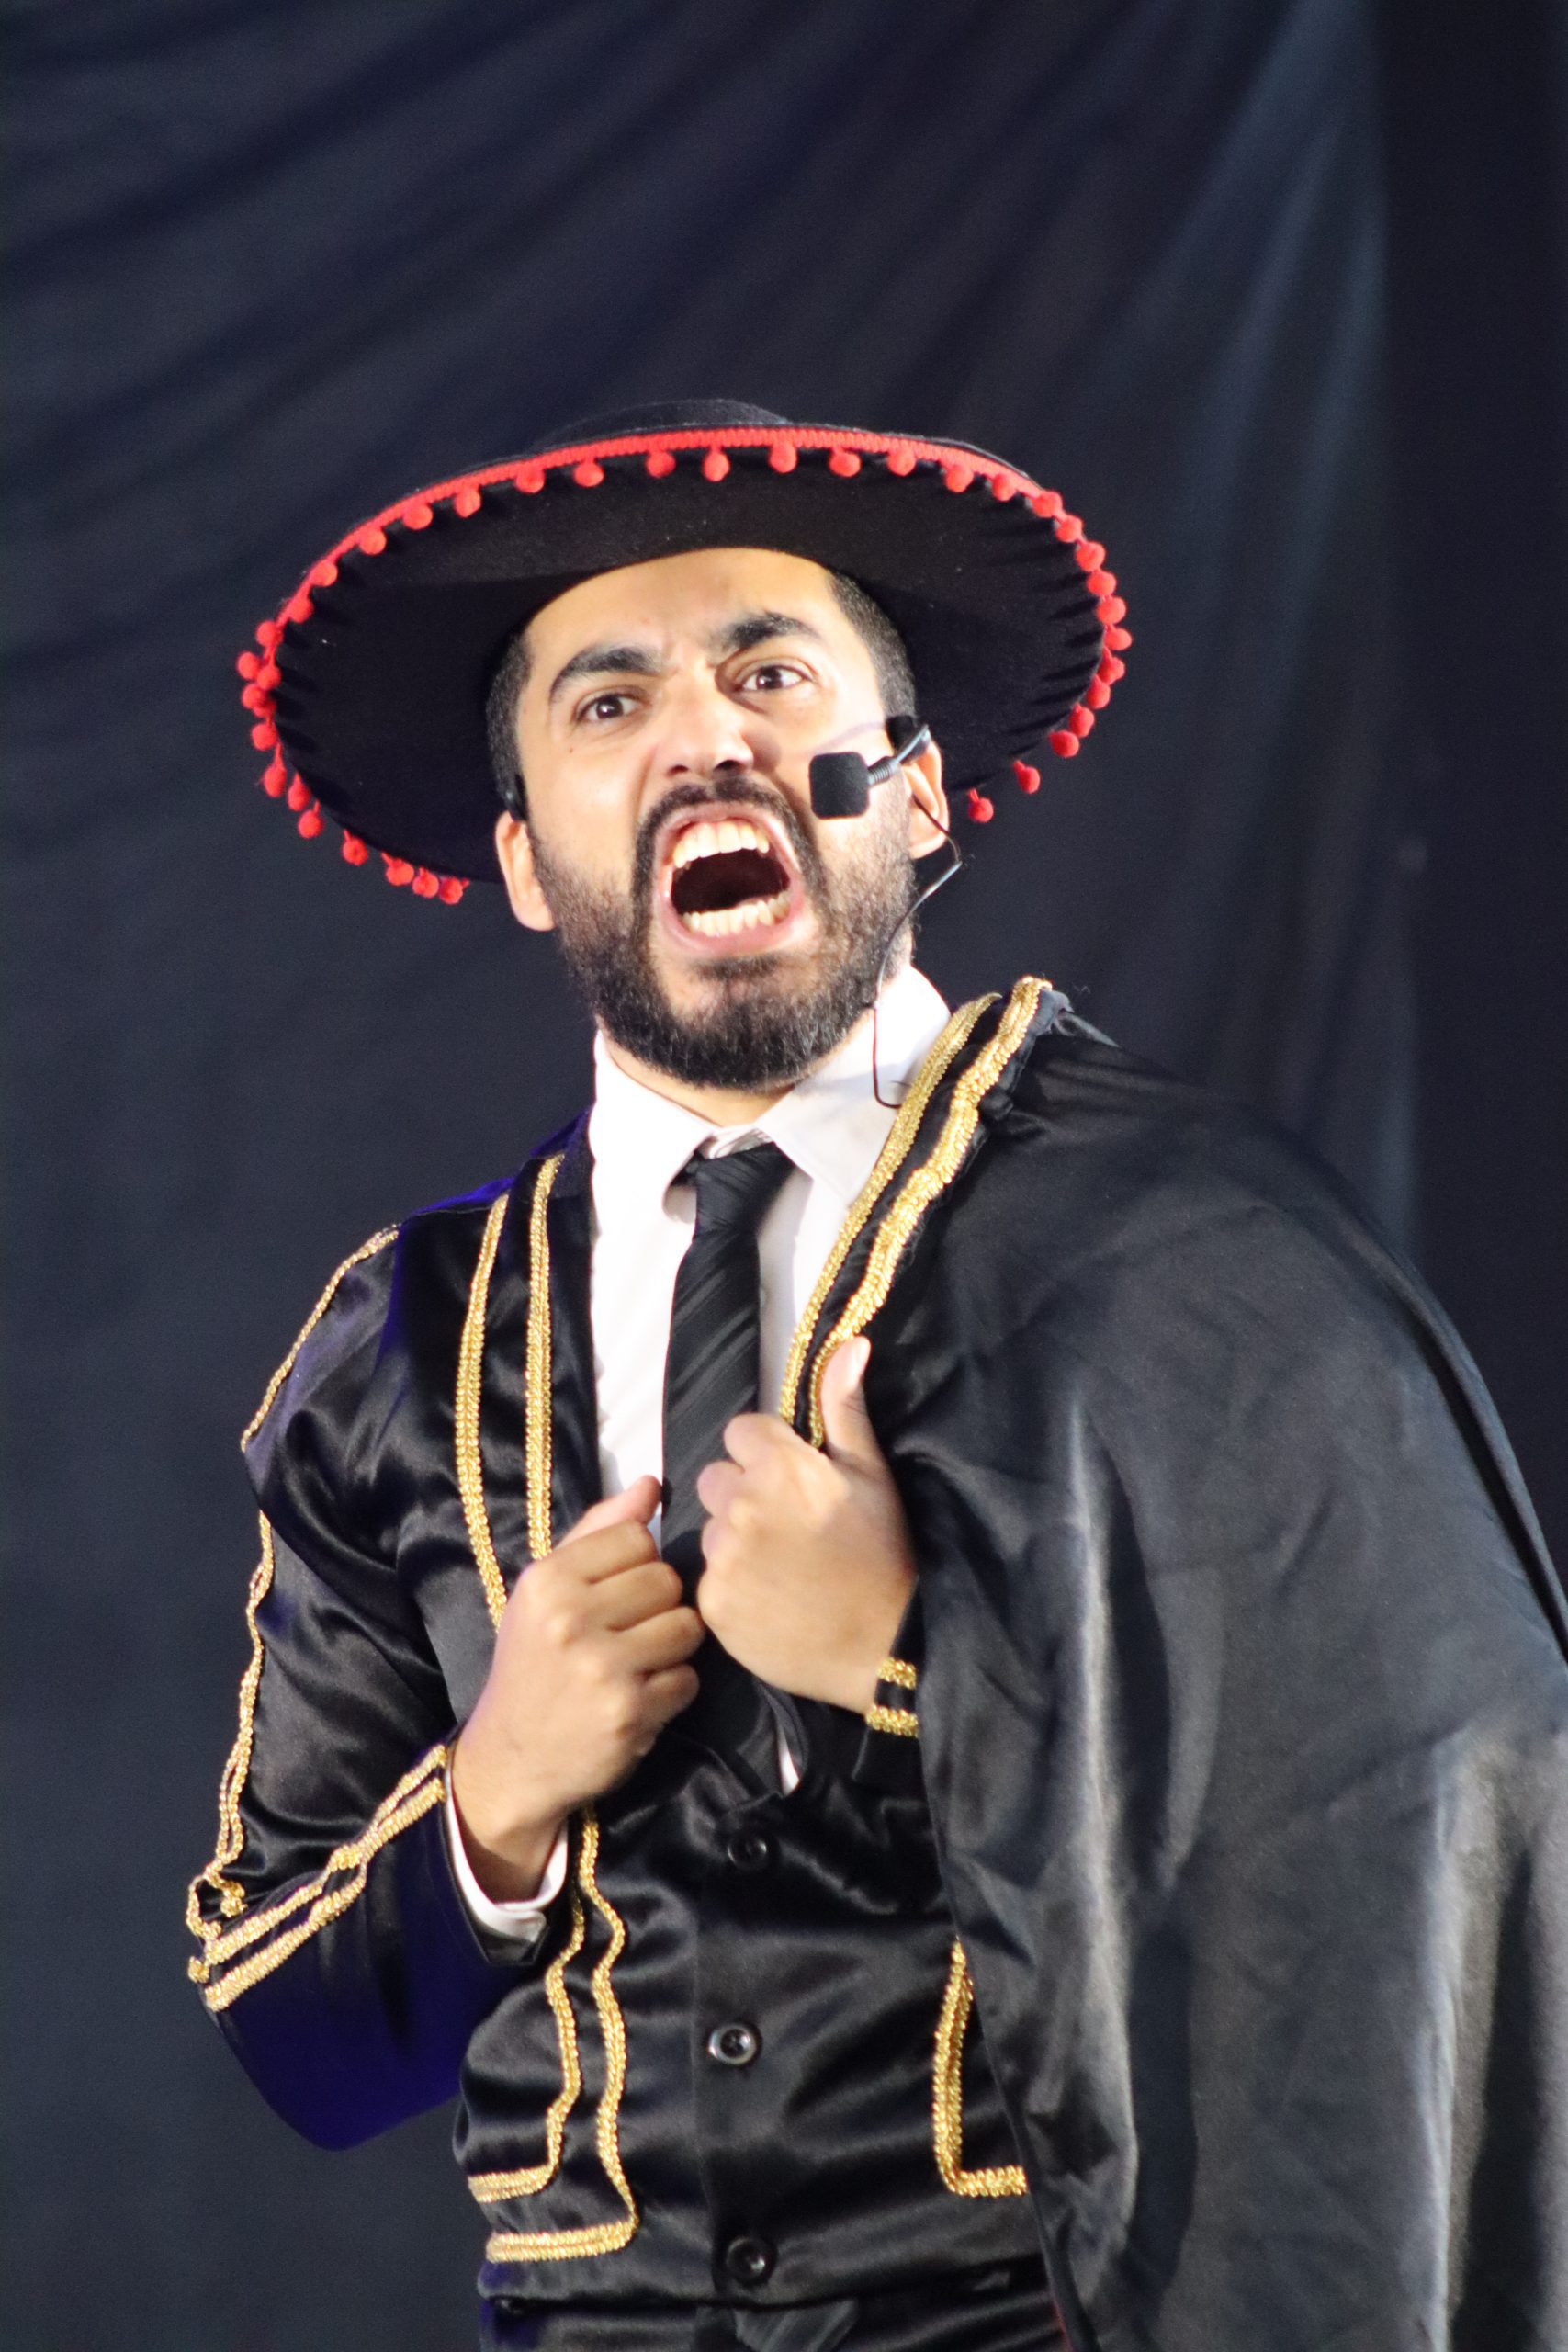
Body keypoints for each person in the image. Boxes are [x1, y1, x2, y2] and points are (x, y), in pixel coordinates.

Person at [187, 401, 1568, 2352]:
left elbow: (1422, 1829)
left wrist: (914, 1662)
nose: (702, 740)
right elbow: (292, 2034)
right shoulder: (404, 1344)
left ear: (914, 794)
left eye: (769, 674)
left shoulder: (1187, 1255)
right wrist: (493, 1795)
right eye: (608, 704)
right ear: (522, 858)